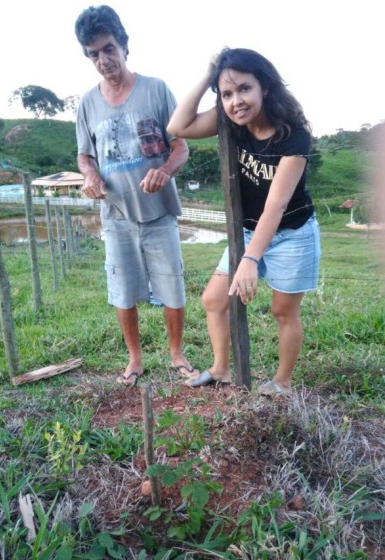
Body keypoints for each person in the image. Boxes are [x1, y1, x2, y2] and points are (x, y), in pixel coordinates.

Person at [167, 48, 321, 395]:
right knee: (213, 300)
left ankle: (282, 382)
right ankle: (221, 369)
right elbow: (178, 126)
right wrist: (210, 74)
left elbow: (276, 205)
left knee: (283, 310)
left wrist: (250, 259)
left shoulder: (293, 135)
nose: (236, 101)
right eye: (227, 93)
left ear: (264, 86)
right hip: (250, 229)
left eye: (244, 88)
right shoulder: (231, 124)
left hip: (292, 232)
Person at [75, 5, 197, 386]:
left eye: (109, 49)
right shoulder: (87, 104)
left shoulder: (156, 89)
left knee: (171, 283)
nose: (103, 60)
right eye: (93, 53)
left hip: (159, 211)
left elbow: (181, 146)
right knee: (123, 287)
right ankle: (134, 359)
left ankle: (176, 354)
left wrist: (164, 171)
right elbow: (84, 155)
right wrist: (90, 174)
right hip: (116, 215)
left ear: (125, 46)